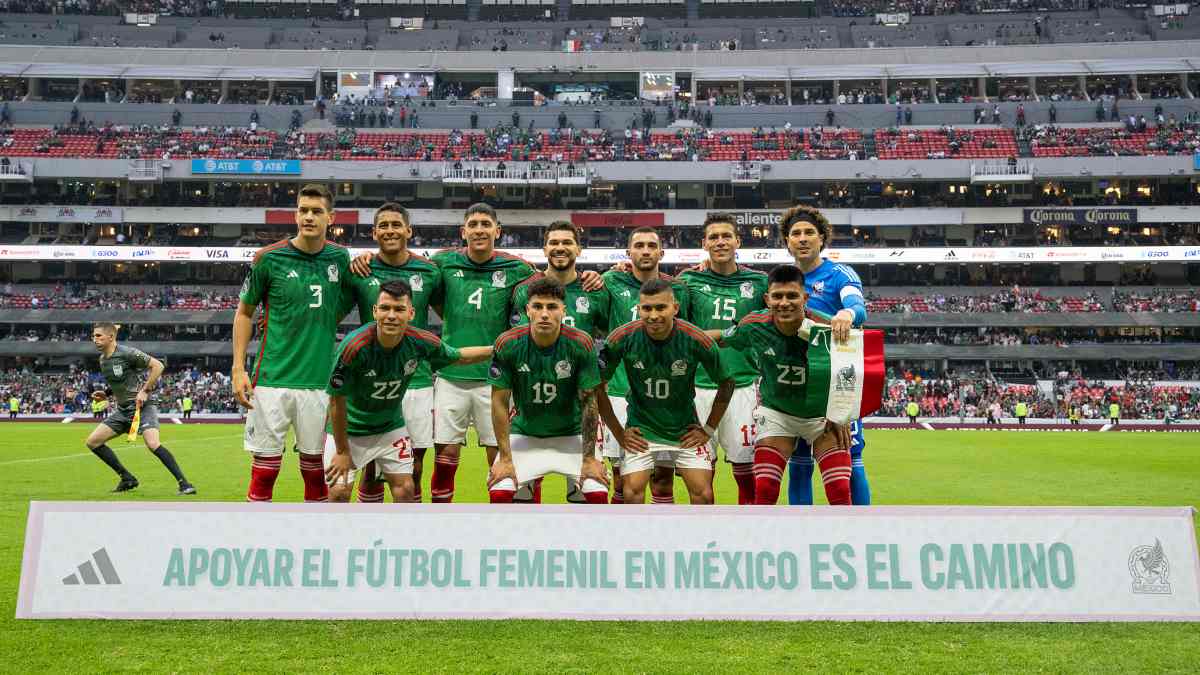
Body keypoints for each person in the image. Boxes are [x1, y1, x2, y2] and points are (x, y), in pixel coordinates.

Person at [233, 183, 352, 503]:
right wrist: (237, 368)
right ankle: (257, 543)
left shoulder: (341, 259)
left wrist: (327, 319)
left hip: (319, 382)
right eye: (303, 210)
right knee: (264, 470)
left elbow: (349, 299)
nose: (308, 217)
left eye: (316, 211)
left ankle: (312, 542)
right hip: (272, 377)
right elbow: (244, 313)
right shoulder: (268, 258)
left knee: (315, 470)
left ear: (331, 217)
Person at [325, 281, 491, 503]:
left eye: (399, 309)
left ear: (411, 313)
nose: (391, 315)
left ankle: (401, 538)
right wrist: (343, 452)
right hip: (349, 432)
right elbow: (336, 401)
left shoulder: (420, 341)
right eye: (385, 308)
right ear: (375, 311)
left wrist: (497, 349)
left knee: (405, 490)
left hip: (389, 428)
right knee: (338, 493)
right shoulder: (354, 346)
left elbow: (459, 356)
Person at [713, 266, 852, 505]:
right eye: (777, 296)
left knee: (839, 490)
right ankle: (763, 542)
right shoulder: (753, 325)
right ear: (767, 299)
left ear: (805, 298)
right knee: (765, 488)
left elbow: (851, 371)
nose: (784, 302)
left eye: (792, 295)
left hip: (822, 416)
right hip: (777, 414)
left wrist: (841, 413)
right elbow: (722, 338)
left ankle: (842, 540)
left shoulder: (826, 327)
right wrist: (679, 334)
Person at [428, 204, 536, 502]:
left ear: (497, 231)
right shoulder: (443, 262)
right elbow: (436, 301)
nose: (479, 229)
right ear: (463, 231)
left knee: (499, 458)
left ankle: (499, 523)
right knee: (445, 457)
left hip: (495, 380)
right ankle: (440, 522)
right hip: (451, 377)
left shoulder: (518, 268)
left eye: (485, 224)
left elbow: (549, 283)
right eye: (473, 224)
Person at [598, 278, 732, 505]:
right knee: (631, 491)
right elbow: (597, 387)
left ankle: (700, 541)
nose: (653, 315)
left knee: (704, 494)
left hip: (685, 432)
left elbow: (727, 383)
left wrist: (708, 429)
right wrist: (620, 433)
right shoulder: (622, 338)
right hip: (641, 432)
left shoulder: (696, 339)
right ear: (638, 309)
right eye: (647, 308)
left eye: (661, 307)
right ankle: (637, 541)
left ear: (675, 308)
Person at [341, 203, 442, 504]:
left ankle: (409, 534)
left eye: (396, 225)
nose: (390, 230)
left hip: (417, 381)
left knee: (416, 468)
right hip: (372, 383)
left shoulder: (430, 272)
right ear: (373, 233)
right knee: (371, 467)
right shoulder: (361, 270)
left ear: (409, 230)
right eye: (382, 225)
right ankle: (371, 535)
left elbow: (449, 312)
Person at [510, 221, 611, 503]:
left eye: (567, 242)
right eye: (553, 242)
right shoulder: (523, 291)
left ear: (578, 248)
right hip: (531, 399)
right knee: (523, 488)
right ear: (544, 248)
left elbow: (611, 337)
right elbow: (515, 339)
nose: (560, 248)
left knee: (584, 493)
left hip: (581, 403)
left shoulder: (596, 289)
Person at [779, 206, 871, 506]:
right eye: (796, 234)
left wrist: (847, 312)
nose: (803, 239)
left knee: (850, 460)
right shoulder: (783, 279)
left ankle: (862, 531)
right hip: (795, 381)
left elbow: (857, 307)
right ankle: (800, 536)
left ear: (822, 239)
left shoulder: (838, 274)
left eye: (809, 233)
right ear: (787, 241)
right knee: (800, 464)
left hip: (836, 382)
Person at [487, 278, 609, 505]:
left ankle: (589, 541)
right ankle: (507, 541)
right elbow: (499, 402)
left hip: (572, 435)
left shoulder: (581, 343)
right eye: (537, 306)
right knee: (500, 491)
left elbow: (589, 402)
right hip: (525, 433)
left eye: (552, 307)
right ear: (527, 311)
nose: (544, 314)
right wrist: (504, 458)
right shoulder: (507, 343)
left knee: (597, 492)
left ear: (563, 310)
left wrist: (590, 458)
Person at [677, 213, 768, 504]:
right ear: (704, 244)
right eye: (713, 237)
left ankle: (750, 540)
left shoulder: (759, 282)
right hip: (697, 388)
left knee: (748, 476)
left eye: (726, 236)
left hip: (744, 387)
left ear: (738, 241)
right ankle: (705, 539)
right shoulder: (688, 280)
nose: (720, 242)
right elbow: (676, 328)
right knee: (701, 481)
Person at [601, 227, 691, 504]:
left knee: (663, 480)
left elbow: (686, 336)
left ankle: (663, 540)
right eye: (639, 246)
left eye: (652, 246)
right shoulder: (609, 282)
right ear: (628, 253)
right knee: (621, 479)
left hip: (663, 400)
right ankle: (623, 540)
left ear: (662, 252)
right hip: (618, 391)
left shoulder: (679, 290)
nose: (645, 251)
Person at [86, 323, 195, 495]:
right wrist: (106, 393)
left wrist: (145, 391)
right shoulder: (103, 360)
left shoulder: (127, 353)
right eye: (94, 336)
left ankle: (185, 484)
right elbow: (121, 380)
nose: (95, 339)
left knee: (152, 443)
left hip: (142, 408)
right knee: (92, 442)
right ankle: (127, 478)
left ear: (111, 337)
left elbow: (158, 366)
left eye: (99, 336)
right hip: (123, 411)